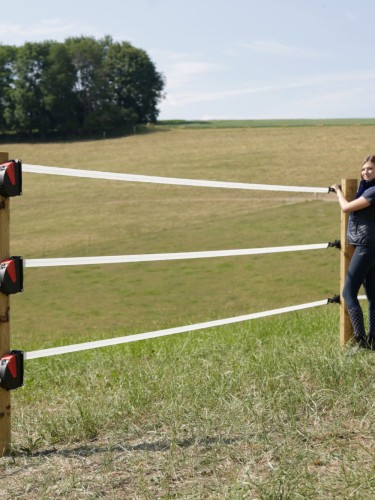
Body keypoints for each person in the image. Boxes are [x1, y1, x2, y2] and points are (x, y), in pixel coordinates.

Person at [331, 155, 375, 349]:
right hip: (370, 246)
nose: (366, 172)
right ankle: (373, 340)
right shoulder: (367, 189)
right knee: (373, 294)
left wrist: (338, 191)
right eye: (364, 169)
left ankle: (361, 341)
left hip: (366, 246)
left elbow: (347, 208)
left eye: (370, 169)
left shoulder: (373, 191)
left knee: (348, 292)